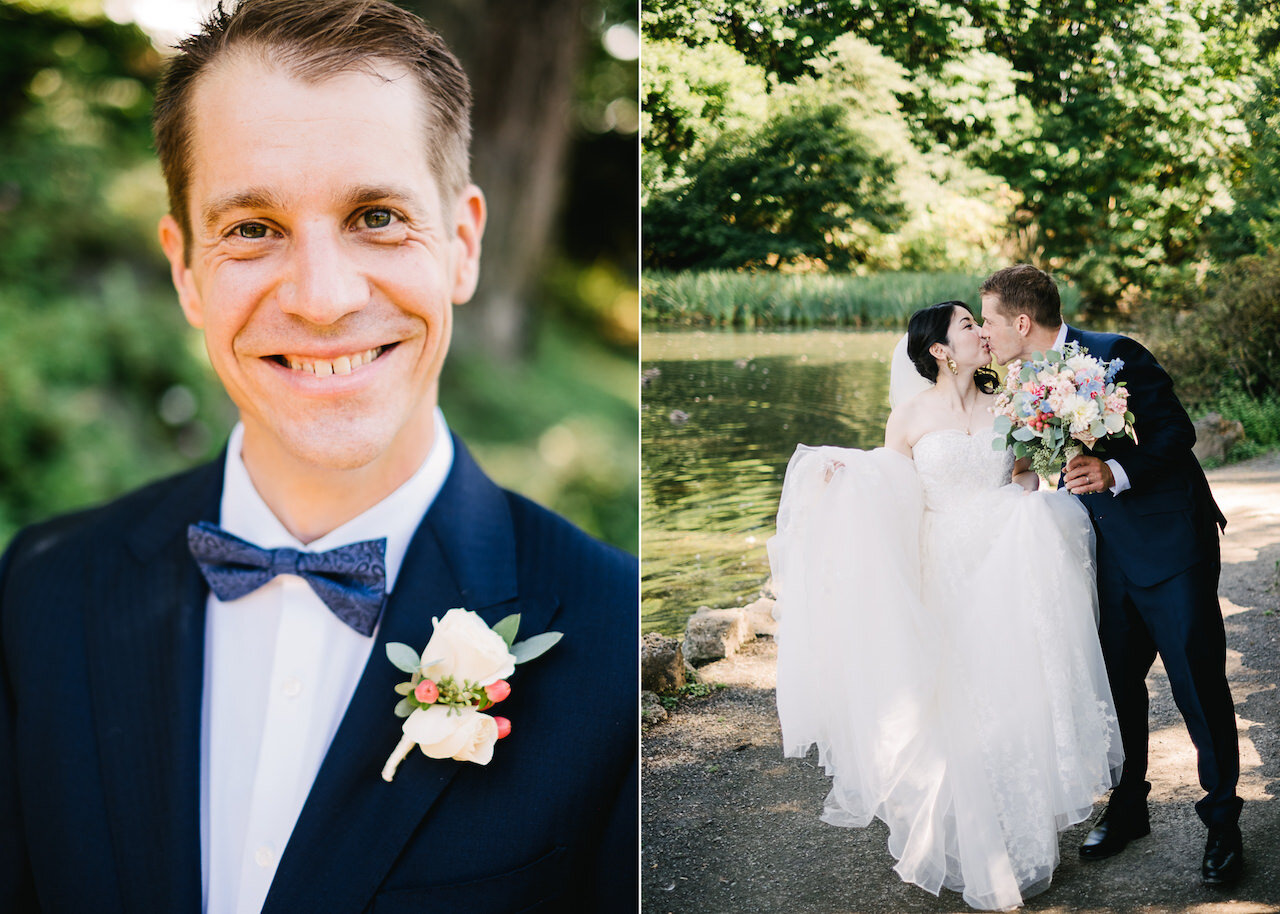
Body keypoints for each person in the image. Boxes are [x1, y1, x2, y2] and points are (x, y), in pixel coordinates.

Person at [0, 2, 637, 912]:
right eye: (253, 228)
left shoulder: (609, 645)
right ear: (185, 270)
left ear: (461, 243)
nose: (324, 298)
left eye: (376, 215)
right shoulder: (42, 591)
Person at [769, 300, 1123, 911]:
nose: (981, 333)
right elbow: (892, 488)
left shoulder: (1011, 403)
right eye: (967, 325)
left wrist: (1033, 502)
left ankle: (1020, 839)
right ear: (938, 349)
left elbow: (1019, 477)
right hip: (947, 570)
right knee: (957, 705)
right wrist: (843, 478)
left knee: (1012, 697)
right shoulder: (907, 418)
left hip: (1006, 565)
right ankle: (969, 845)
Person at [978, 263, 1242, 886]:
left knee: (1197, 684)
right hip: (1096, 557)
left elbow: (1178, 432)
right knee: (1115, 685)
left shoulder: (1113, 354)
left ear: (1022, 321)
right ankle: (1128, 807)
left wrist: (1115, 472)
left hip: (1168, 544)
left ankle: (1225, 822)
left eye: (988, 319)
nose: (984, 332)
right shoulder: (1018, 381)